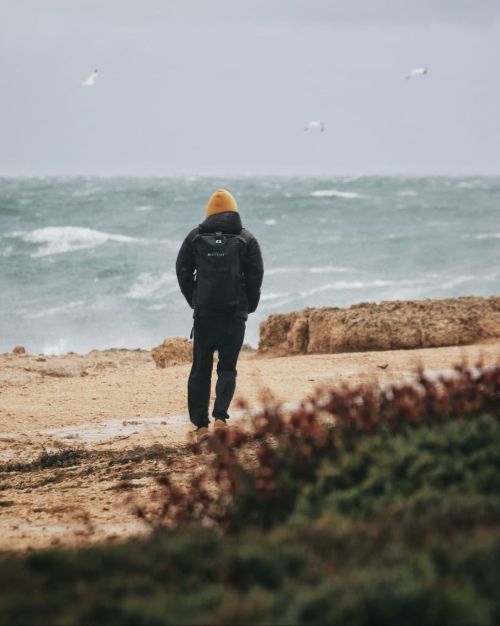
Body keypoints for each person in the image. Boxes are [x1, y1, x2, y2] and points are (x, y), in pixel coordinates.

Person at [176, 189, 264, 441]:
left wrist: (194, 299)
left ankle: (201, 426)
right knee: (227, 368)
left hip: (205, 315)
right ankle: (220, 418)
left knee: (200, 369)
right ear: (234, 211)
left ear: (208, 213)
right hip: (234, 316)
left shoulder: (194, 238)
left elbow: (182, 271)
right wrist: (248, 306)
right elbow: (256, 277)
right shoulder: (247, 240)